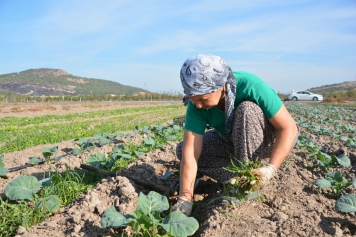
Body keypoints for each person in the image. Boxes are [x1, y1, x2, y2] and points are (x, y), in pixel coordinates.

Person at [172, 54, 299, 216]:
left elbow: (289, 128)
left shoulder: (250, 85)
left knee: (247, 110)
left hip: (270, 138)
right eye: (193, 99)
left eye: (203, 99)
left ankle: (246, 187)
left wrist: (271, 169)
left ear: (221, 86)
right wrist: (185, 198)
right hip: (232, 138)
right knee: (183, 150)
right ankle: (240, 178)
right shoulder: (196, 105)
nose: (198, 104)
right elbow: (191, 153)